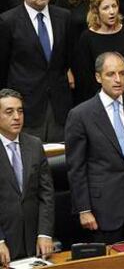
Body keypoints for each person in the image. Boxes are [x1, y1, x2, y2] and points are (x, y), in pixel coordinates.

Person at [66, 52, 124, 244]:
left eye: (122, 73)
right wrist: (84, 209)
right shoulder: (80, 115)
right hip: (103, 207)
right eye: (111, 74)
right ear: (98, 77)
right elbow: (76, 168)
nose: (118, 80)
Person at [0, 0, 72, 142]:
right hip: (26, 109)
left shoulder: (64, 17)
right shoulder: (8, 21)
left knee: (62, 162)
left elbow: (69, 60)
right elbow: (2, 67)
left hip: (59, 107)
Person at [0, 88, 54, 265]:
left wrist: (44, 233)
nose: (17, 117)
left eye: (20, 111)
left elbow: (46, 194)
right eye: (9, 112)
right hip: (4, 244)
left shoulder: (34, 144)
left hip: (34, 243)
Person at [73, 0, 124, 104]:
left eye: (114, 6)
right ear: (96, 11)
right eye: (106, 8)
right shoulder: (87, 38)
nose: (112, 12)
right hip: (98, 101)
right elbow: (85, 79)